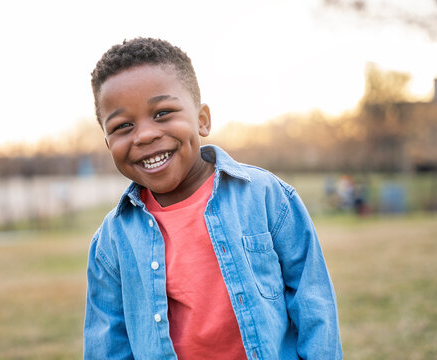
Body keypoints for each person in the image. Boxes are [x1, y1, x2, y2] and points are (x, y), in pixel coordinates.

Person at [84, 37, 342, 360]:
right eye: (123, 126)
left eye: (162, 113)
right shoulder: (111, 244)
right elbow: (108, 347)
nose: (145, 134)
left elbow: (315, 308)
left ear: (202, 119)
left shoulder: (268, 198)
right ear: (108, 144)